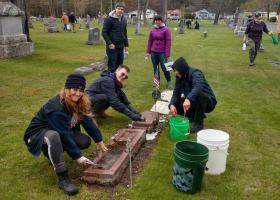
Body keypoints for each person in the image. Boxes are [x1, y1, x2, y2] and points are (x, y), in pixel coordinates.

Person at [23, 74, 108, 196]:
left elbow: (87, 122)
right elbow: (64, 133)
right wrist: (77, 156)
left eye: (80, 91)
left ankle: (51, 152)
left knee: (84, 141)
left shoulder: (78, 102)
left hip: (58, 128)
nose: (77, 94)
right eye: (74, 89)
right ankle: (63, 177)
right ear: (67, 89)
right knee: (54, 136)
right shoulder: (57, 107)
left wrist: (99, 142)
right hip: (37, 133)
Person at [169, 57, 217, 133]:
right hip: (193, 100)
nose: (176, 72)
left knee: (200, 96)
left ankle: (198, 125)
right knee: (174, 104)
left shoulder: (196, 73)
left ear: (182, 69)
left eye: (177, 70)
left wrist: (188, 99)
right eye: (175, 71)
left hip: (208, 102)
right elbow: (176, 93)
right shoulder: (179, 77)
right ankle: (193, 116)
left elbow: (198, 87)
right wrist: (172, 105)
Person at [145, 15, 172, 89]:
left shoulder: (166, 30)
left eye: (159, 20)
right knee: (155, 68)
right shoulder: (152, 30)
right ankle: (157, 82)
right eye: (156, 20)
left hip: (162, 53)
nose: (157, 22)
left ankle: (169, 82)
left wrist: (167, 54)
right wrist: (148, 53)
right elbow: (150, 41)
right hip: (154, 52)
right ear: (154, 21)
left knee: (165, 68)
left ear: (161, 21)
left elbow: (168, 42)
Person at [102, 2, 128, 72]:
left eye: (122, 9)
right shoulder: (109, 19)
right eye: (118, 8)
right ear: (115, 9)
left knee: (119, 67)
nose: (120, 10)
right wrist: (110, 43)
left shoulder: (124, 19)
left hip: (121, 47)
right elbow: (104, 32)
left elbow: (125, 33)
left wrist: (126, 45)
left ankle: (116, 82)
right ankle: (110, 82)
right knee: (112, 67)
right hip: (112, 48)